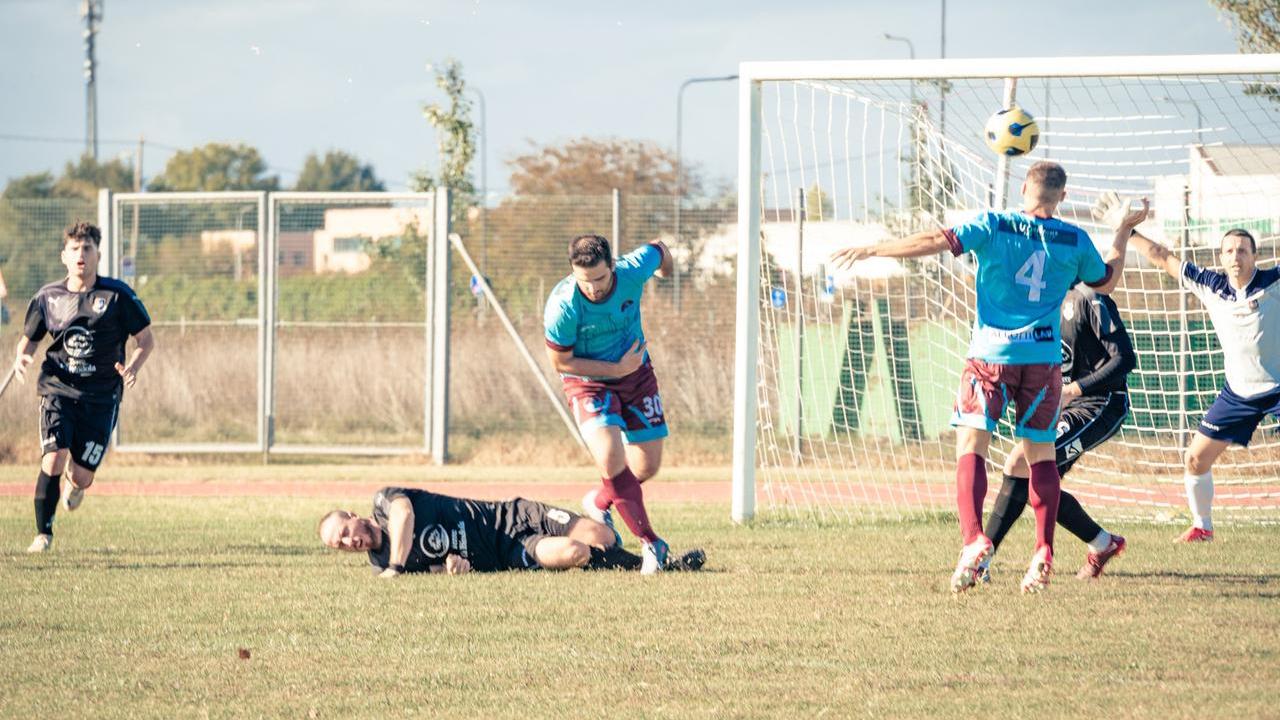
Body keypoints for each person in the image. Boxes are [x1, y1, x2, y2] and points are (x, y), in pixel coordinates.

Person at [832, 161, 1147, 593]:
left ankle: (973, 540)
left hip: (991, 358)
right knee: (1039, 456)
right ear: (1062, 197)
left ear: (1023, 189)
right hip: (1043, 363)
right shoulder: (1074, 238)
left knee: (972, 444)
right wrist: (1122, 231)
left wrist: (876, 250)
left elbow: (934, 240)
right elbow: (1107, 279)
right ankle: (1042, 549)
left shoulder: (994, 224)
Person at [1097, 191, 1280, 542]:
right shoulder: (1211, 285)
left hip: (1276, 389)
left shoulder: (1274, 283)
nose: (1235, 255)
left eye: (1243, 250)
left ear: (1255, 255)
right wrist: (1127, 231)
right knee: (1195, 460)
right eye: (1229, 250)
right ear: (1220, 257)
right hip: (1238, 394)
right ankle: (1202, 526)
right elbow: (1162, 256)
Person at [13, 221, 156, 553]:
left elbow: (146, 340)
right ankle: (43, 534)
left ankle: (74, 486)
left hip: (102, 397)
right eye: (75, 249)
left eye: (87, 248)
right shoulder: (48, 297)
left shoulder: (118, 295)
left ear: (98, 255)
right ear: (64, 256)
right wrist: (22, 359)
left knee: (81, 477)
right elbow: (28, 342)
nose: (81, 255)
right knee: (53, 457)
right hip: (57, 389)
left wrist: (132, 367)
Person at [978, 283, 1135, 582]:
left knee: (1020, 465)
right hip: (1060, 405)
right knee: (1035, 481)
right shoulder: (1040, 303)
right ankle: (1103, 543)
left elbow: (1125, 359)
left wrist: (1074, 389)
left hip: (1100, 404)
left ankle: (981, 559)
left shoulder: (1090, 298)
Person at [543, 234, 674, 573]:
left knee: (646, 467)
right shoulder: (563, 305)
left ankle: (600, 501)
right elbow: (561, 363)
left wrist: (666, 271)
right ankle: (651, 543)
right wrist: (614, 369)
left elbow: (660, 250)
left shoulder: (632, 270)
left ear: (612, 266)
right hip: (588, 382)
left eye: (600, 279)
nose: (593, 289)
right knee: (609, 456)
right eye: (584, 281)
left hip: (637, 376)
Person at [318, 487, 706, 575]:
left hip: (514, 512)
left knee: (603, 537)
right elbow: (434, 572)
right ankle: (654, 566)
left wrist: (398, 567)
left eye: (346, 531)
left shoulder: (386, 501)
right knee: (576, 552)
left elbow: (404, 515)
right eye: (342, 544)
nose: (350, 541)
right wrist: (454, 569)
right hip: (506, 550)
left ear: (353, 515)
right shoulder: (379, 564)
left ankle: (599, 512)